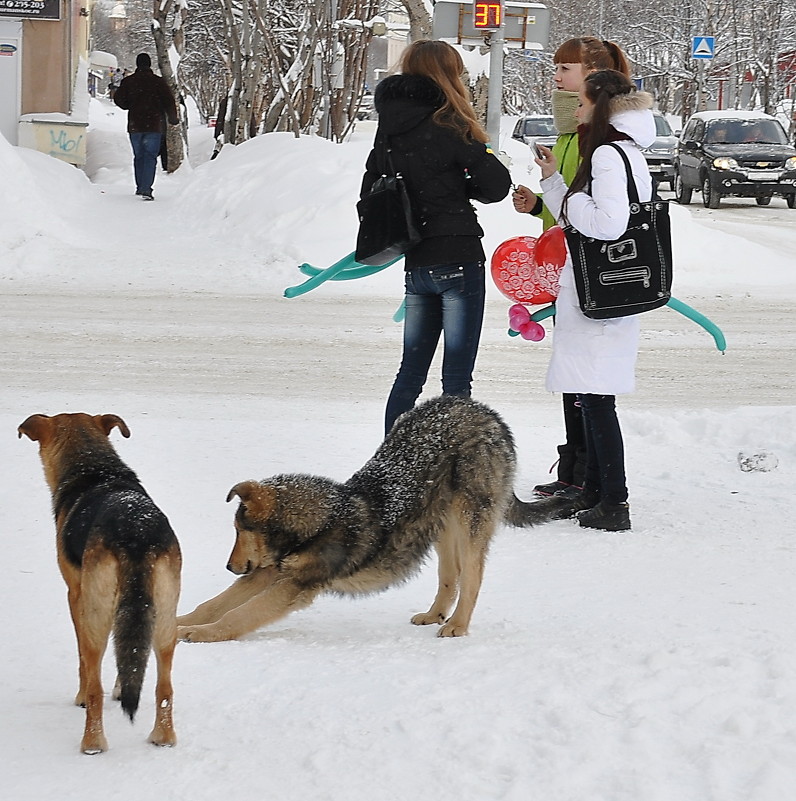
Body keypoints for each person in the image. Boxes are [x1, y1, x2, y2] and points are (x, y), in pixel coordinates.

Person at [361, 40, 511, 435]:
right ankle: (455, 472)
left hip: (417, 260)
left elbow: (371, 190)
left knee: (410, 373)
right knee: (457, 380)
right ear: (448, 76)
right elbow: (495, 186)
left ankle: (390, 468)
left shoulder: (389, 129)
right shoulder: (449, 123)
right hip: (458, 256)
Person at [533, 69, 656, 531]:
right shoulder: (628, 152)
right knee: (593, 395)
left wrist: (566, 205)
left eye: (582, 102)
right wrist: (554, 181)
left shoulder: (606, 154)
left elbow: (607, 224)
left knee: (597, 399)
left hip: (598, 293)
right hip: (617, 288)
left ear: (600, 106)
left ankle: (614, 502)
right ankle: (601, 494)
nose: (576, 110)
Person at [512, 37, 631, 501]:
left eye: (566, 69)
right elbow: (566, 209)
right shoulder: (569, 133)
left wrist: (553, 194)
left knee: (588, 384)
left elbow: (597, 215)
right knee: (573, 379)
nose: (556, 76)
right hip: (565, 265)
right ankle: (577, 472)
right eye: (556, 66)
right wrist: (536, 205)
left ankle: (590, 479)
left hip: (590, 273)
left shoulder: (600, 140)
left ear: (594, 76)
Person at [113, 53, 179, 201]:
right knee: (150, 157)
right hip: (154, 126)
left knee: (139, 156)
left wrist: (129, 105)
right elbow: (169, 101)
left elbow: (118, 99)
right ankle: (146, 189)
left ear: (137, 64)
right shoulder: (158, 82)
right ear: (149, 64)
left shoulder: (129, 82)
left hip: (135, 126)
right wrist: (173, 118)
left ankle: (139, 186)